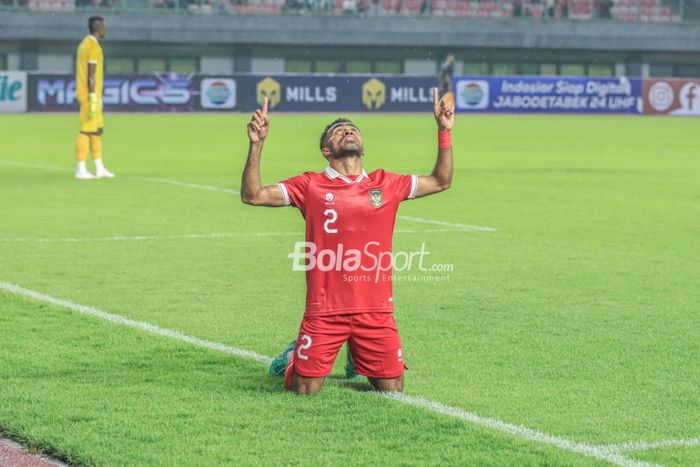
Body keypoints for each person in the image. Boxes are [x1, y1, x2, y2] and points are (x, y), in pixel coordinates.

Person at [241, 88, 454, 394]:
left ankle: (356, 351)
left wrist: (444, 132)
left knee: (392, 389)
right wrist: (256, 145)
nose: (349, 131)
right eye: (339, 131)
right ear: (326, 150)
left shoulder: (387, 183)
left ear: (362, 148)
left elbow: (441, 181)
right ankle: (293, 355)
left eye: (353, 129)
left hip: (375, 309)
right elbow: (253, 195)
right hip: (325, 309)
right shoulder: (310, 185)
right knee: (303, 389)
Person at [75, 16, 115, 180]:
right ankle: (80, 168)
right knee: (86, 130)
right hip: (89, 94)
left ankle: (99, 167)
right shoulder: (93, 47)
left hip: (92, 93)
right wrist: (92, 96)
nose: (105, 29)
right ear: (98, 28)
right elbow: (91, 73)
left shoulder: (84, 43)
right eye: (104, 27)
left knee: (97, 131)